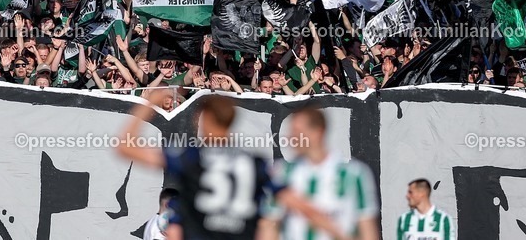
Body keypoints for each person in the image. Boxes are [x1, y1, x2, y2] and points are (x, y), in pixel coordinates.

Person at [116, 90, 348, 240]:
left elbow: (125, 147)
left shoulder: (192, 158)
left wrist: (148, 105)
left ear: (205, 120)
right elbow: (298, 203)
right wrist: (340, 232)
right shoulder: (254, 163)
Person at [262, 107, 379, 240]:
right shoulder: (282, 172)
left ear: (318, 132)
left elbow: (367, 227)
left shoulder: (354, 173)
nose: (291, 138)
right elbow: (269, 224)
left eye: (298, 132)